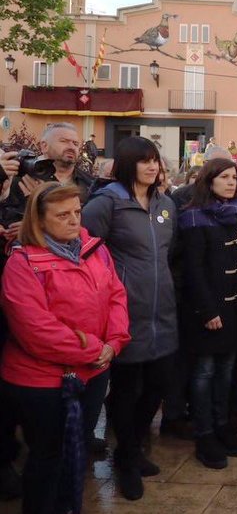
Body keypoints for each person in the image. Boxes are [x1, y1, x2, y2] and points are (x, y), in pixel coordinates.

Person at [1, 182, 129, 514]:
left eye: (77, 211)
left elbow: (116, 296)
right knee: (49, 456)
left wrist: (115, 341)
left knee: (77, 451)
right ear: (39, 219)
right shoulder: (23, 262)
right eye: (62, 215)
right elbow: (35, 328)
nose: (74, 220)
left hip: (93, 372)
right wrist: (94, 349)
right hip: (42, 380)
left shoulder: (94, 249)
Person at [81, 136, 178, 501]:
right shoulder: (107, 203)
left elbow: (169, 254)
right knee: (126, 391)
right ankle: (126, 457)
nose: (152, 166)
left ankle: (133, 448)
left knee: (157, 386)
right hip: (125, 314)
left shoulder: (166, 204)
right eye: (143, 160)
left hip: (162, 312)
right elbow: (83, 252)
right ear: (127, 164)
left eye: (155, 160)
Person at [178, 159, 237, 470]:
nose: (231, 182)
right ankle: (204, 432)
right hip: (208, 309)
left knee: (227, 370)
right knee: (205, 373)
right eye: (224, 177)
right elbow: (193, 270)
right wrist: (208, 310)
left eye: (234, 177)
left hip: (236, 307)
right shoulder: (193, 218)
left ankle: (222, 425)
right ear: (209, 181)